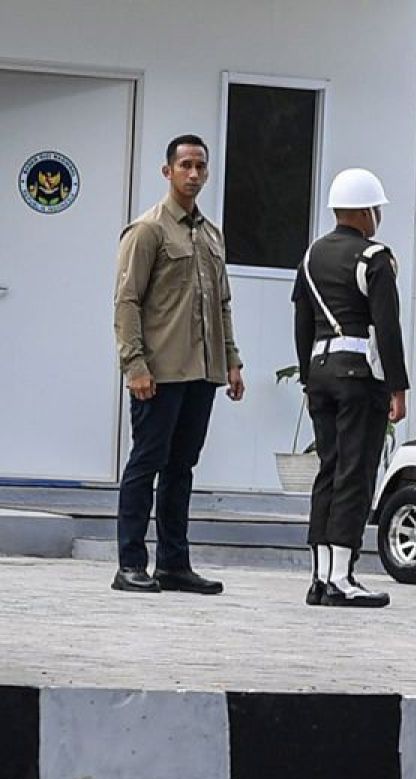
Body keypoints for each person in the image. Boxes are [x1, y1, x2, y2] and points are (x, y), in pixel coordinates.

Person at [112, 134, 244, 594]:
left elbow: (221, 303)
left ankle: (174, 564)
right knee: (146, 463)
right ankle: (130, 563)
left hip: (201, 373)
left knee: (182, 467)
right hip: (159, 372)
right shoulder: (147, 230)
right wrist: (135, 365)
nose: (193, 173)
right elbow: (127, 302)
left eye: (200, 166)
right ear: (167, 171)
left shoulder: (211, 234)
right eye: (184, 165)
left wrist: (231, 361)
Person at [293, 168, 409, 608]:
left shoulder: (311, 256)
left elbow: (302, 321)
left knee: (328, 469)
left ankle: (320, 576)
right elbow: (387, 326)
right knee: (355, 473)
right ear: (363, 212)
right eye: (376, 208)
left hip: (320, 370)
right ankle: (343, 576)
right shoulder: (375, 257)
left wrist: (307, 377)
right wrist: (397, 387)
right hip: (360, 374)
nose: (378, 216)